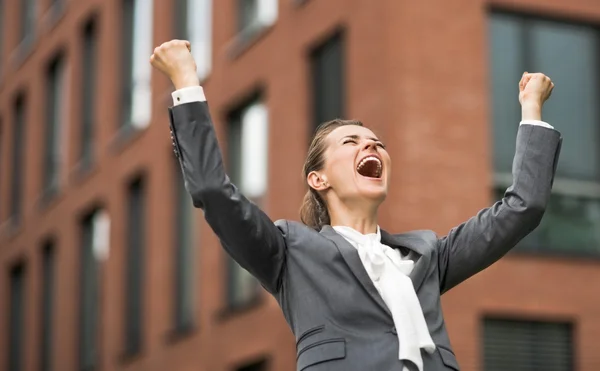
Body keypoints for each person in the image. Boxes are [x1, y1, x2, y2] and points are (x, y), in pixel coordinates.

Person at [150, 39, 561, 371]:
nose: (371, 146)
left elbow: (522, 207)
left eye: (378, 144)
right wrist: (186, 80)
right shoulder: (289, 252)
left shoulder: (429, 255)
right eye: (351, 142)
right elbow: (213, 191)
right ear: (318, 179)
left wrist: (531, 110)